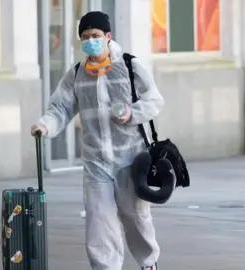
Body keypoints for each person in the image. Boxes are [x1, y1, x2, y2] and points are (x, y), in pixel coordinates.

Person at [31, 11, 164, 270]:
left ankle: (148, 264)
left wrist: (132, 113)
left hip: (130, 158)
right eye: (85, 37)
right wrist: (45, 126)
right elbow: (60, 108)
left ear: (108, 36)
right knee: (98, 222)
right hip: (96, 163)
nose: (90, 41)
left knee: (136, 218)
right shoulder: (77, 73)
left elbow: (154, 100)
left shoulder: (130, 66)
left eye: (95, 36)